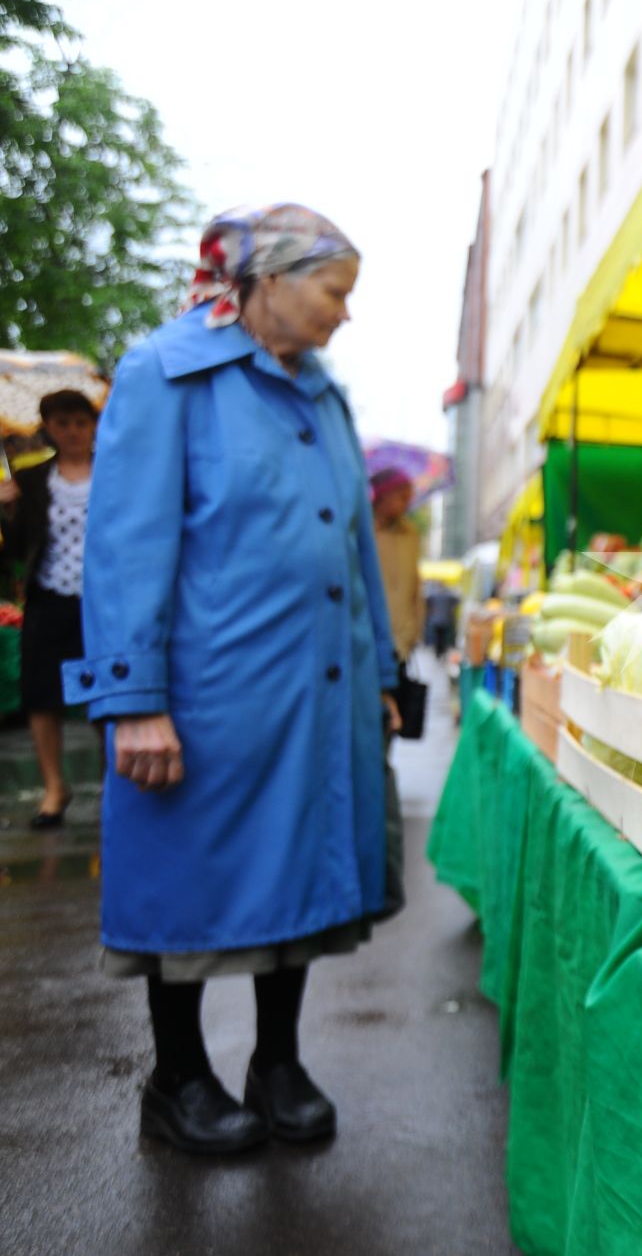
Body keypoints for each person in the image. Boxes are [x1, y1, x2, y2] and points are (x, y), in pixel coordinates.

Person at [63, 204, 399, 1155]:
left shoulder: (322, 393)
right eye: (335, 292)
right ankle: (176, 1079)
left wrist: (379, 669)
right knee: (188, 877)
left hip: (316, 686)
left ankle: (276, 1061)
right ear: (269, 282)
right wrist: (132, 702)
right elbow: (124, 546)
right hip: (206, 691)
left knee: (299, 870)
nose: (343, 314)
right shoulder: (166, 373)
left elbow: (353, 545)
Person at [0, 389, 99, 827]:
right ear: (49, 428)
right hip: (48, 599)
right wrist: (8, 509)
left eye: (80, 422)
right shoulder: (34, 479)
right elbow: (20, 546)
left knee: (105, 692)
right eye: (63, 423)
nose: (73, 431)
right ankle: (55, 788)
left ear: (93, 426)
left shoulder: (116, 471)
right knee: (43, 696)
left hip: (103, 601)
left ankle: (120, 780)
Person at [371, 468, 423, 662]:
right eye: (401, 497)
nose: (407, 503)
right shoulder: (361, 531)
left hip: (403, 638)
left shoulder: (410, 534)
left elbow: (415, 585)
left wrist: (415, 630)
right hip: (370, 637)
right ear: (383, 495)